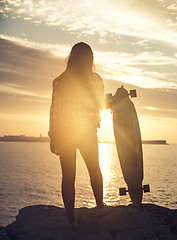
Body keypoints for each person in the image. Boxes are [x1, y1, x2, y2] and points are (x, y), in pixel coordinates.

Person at [49, 42, 107, 230]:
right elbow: (101, 104)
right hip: (86, 131)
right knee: (94, 169)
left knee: (68, 176)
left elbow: (54, 111)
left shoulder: (59, 81)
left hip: (65, 134)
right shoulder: (95, 80)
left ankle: (71, 218)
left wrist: (53, 136)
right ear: (89, 59)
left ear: (71, 58)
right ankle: (100, 208)